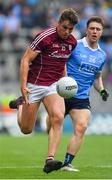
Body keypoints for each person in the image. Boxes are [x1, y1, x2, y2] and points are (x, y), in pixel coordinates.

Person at [8, 8, 79, 174]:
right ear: (58, 23)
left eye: (71, 29)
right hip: (34, 84)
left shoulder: (72, 43)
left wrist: (65, 82)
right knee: (26, 129)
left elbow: (62, 63)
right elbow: (25, 60)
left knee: (58, 117)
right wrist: (23, 86)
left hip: (53, 86)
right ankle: (20, 106)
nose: (67, 32)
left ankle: (50, 159)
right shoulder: (44, 37)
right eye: (64, 27)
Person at [47, 16, 109, 172]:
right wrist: (64, 80)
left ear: (102, 32)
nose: (95, 31)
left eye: (98, 29)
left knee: (82, 126)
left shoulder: (102, 55)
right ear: (87, 30)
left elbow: (97, 77)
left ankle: (67, 163)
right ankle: (50, 155)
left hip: (81, 98)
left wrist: (101, 90)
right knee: (51, 126)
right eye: (92, 28)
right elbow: (60, 62)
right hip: (61, 93)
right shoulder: (75, 45)